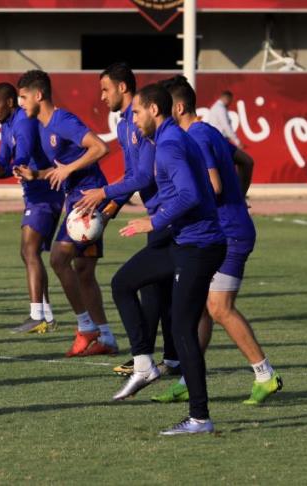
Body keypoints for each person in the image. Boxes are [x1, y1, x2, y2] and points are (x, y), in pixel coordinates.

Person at [150, 76, 282, 406]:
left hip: (228, 232)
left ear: (179, 107)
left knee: (219, 308)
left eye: (166, 108)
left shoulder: (195, 136)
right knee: (201, 308)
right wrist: (240, 195)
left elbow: (214, 186)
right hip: (222, 229)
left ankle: (265, 374)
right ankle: (188, 379)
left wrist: (187, 202)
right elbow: (246, 162)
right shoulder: (209, 131)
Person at [112, 83, 226, 436]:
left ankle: (199, 418)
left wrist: (155, 220)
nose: (133, 119)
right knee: (123, 282)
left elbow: (191, 194)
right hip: (182, 242)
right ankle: (143, 363)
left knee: (181, 329)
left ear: (154, 110)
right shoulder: (168, 139)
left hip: (199, 247)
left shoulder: (171, 144)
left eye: (136, 112)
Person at [75, 63, 180, 376]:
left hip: (168, 216)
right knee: (158, 291)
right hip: (157, 215)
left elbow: (145, 177)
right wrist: (108, 210)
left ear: (122, 88)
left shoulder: (141, 122)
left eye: (105, 89)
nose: (102, 96)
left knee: (139, 286)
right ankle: (169, 359)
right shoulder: (125, 125)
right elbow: (133, 175)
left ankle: (144, 357)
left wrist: (103, 192)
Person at [14, 70, 118, 357]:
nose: (20, 103)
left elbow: (100, 147)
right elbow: (61, 168)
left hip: (88, 199)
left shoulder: (63, 121)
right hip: (76, 198)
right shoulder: (42, 126)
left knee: (59, 259)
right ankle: (106, 337)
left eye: (23, 97)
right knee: (83, 271)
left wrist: (69, 170)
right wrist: (36, 174)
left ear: (38, 95)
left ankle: (86, 327)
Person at [0, 82, 64, 333]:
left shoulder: (23, 122)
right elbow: (4, 160)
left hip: (46, 192)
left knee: (29, 250)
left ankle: (37, 315)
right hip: (34, 194)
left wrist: (11, 167)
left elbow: (23, 155)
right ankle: (46, 316)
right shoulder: (6, 125)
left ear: (10, 102)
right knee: (29, 252)